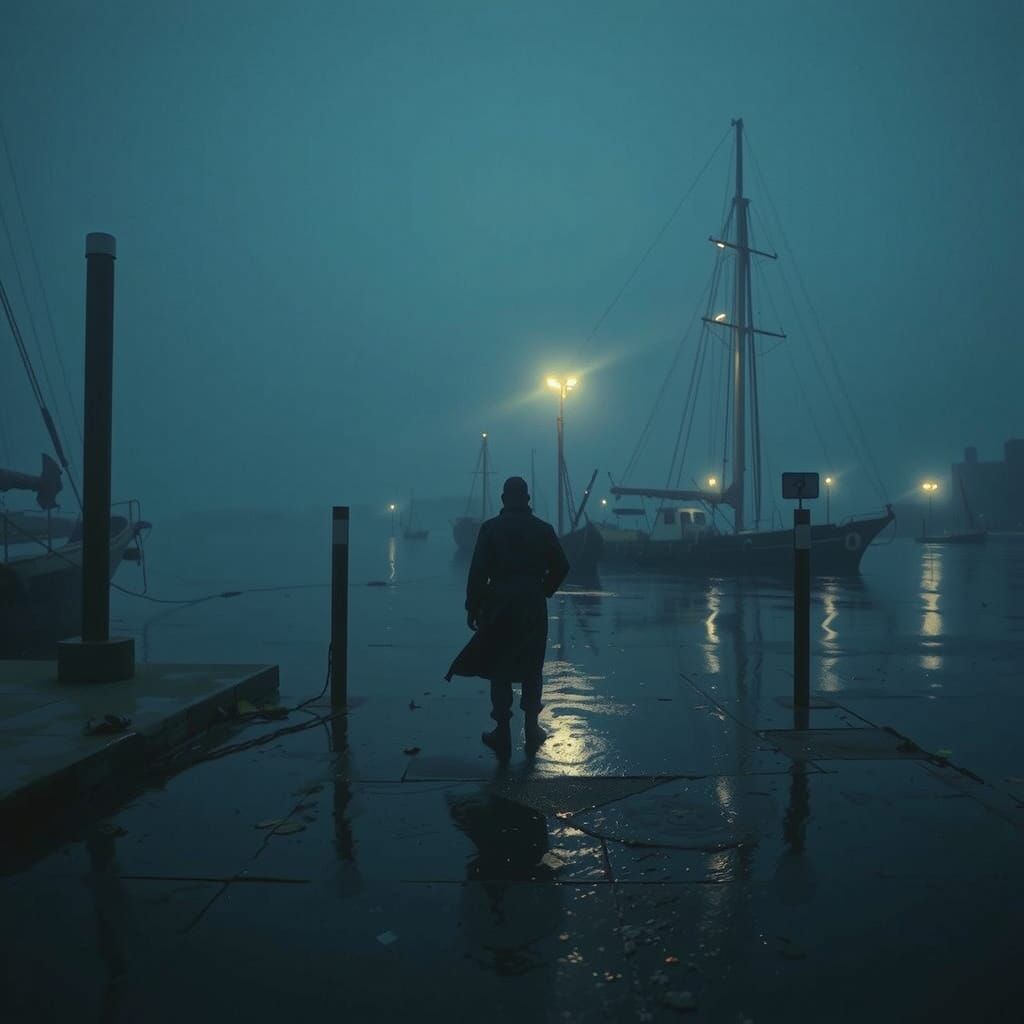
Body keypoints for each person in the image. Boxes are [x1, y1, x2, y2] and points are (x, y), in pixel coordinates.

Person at [445, 476, 570, 757]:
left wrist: (473, 607)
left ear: (503, 499)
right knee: (532, 662)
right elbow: (562, 566)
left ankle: (502, 733)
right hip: (531, 602)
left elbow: (477, 572)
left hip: (498, 601)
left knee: (499, 663)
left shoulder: (490, 529)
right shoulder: (544, 530)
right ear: (527, 499)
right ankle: (532, 728)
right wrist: (544, 590)